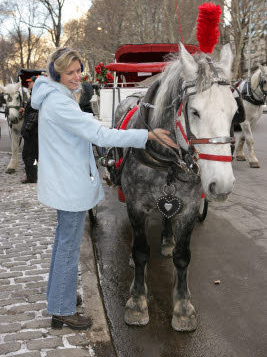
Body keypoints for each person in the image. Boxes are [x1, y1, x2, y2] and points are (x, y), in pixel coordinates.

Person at [31, 46, 177, 331]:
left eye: (78, 70)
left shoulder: (56, 96)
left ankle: (58, 296)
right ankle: (61, 310)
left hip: (66, 181)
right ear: (56, 73)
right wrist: (146, 134)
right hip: (69, 184)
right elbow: (99, 134)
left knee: (65, 243)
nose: (77, 77)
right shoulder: (59, 103)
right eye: (70, 72)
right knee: (68, 246)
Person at [21, 76, 39, 184]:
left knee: (28, 155)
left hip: (32, 131)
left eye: (30, 82)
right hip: (33, 130)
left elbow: (35, 113)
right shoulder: (34, 94)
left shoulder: (36, 95)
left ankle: (31, 177)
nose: (28, 84)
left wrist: (27, 128)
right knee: (31, 155)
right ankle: (32, 175)